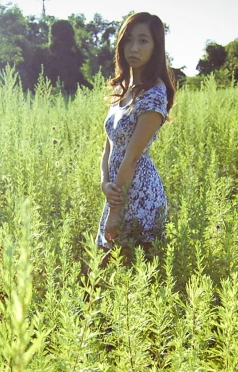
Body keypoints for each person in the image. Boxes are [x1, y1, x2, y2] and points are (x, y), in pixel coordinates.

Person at [96, 12, 176, 263]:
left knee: (131, 274)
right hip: (117, 191)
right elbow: (108, 147)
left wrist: (114, 212)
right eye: (129, 40)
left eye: (143, 41)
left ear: (156, 47)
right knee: (109, 272)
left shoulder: (154, 94)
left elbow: (131, 157)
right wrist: (104, 183)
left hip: (140, 195)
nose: (134, 48)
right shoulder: (123, 89)